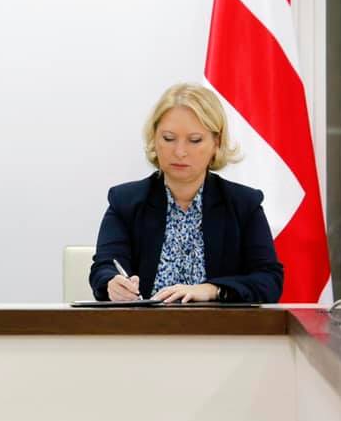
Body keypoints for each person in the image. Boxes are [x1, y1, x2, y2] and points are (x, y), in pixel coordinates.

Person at [89, 83, 283, 303]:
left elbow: (269, 280)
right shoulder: (125, 201)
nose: (180, 152)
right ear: (154, 139)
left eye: (194, 140)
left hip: (219, 325)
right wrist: (112, 283)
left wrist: (213, 290)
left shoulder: (243, 204)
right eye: (168, 138)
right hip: (144, 324)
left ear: (216, 143)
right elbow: (104, 267)